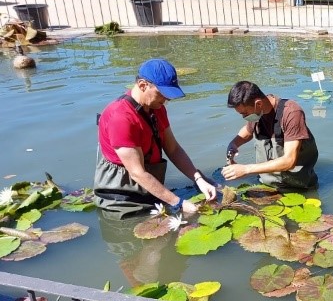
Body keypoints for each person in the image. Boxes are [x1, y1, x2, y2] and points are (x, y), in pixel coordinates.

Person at [94, 58, 217, 219]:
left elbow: (173, 149)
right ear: (143, 85)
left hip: (150, 188)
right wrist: (178, 203)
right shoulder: (120, 117)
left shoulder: (156, 108)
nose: (167, 100)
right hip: (122, 198)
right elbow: (137, 173)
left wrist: (198, 178)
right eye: (162, 94)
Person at [222, 81, 318, 189]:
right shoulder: (257, 113)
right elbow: (247, 131)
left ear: (258, 103)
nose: (244, 117)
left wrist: (246, 169)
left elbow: (289, 161)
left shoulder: (291, 113)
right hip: (267, 186)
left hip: (297, 186)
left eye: (245, 113)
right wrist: (233, 144)